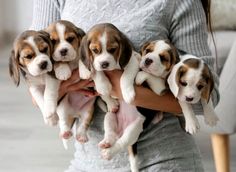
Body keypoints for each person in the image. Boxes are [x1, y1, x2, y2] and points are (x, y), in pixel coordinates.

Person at [30, 0, 220, 171]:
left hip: (163, 160)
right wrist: (65, 86)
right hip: (87, 162)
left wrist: (122, 87)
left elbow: (210, 95)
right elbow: (36, 86)